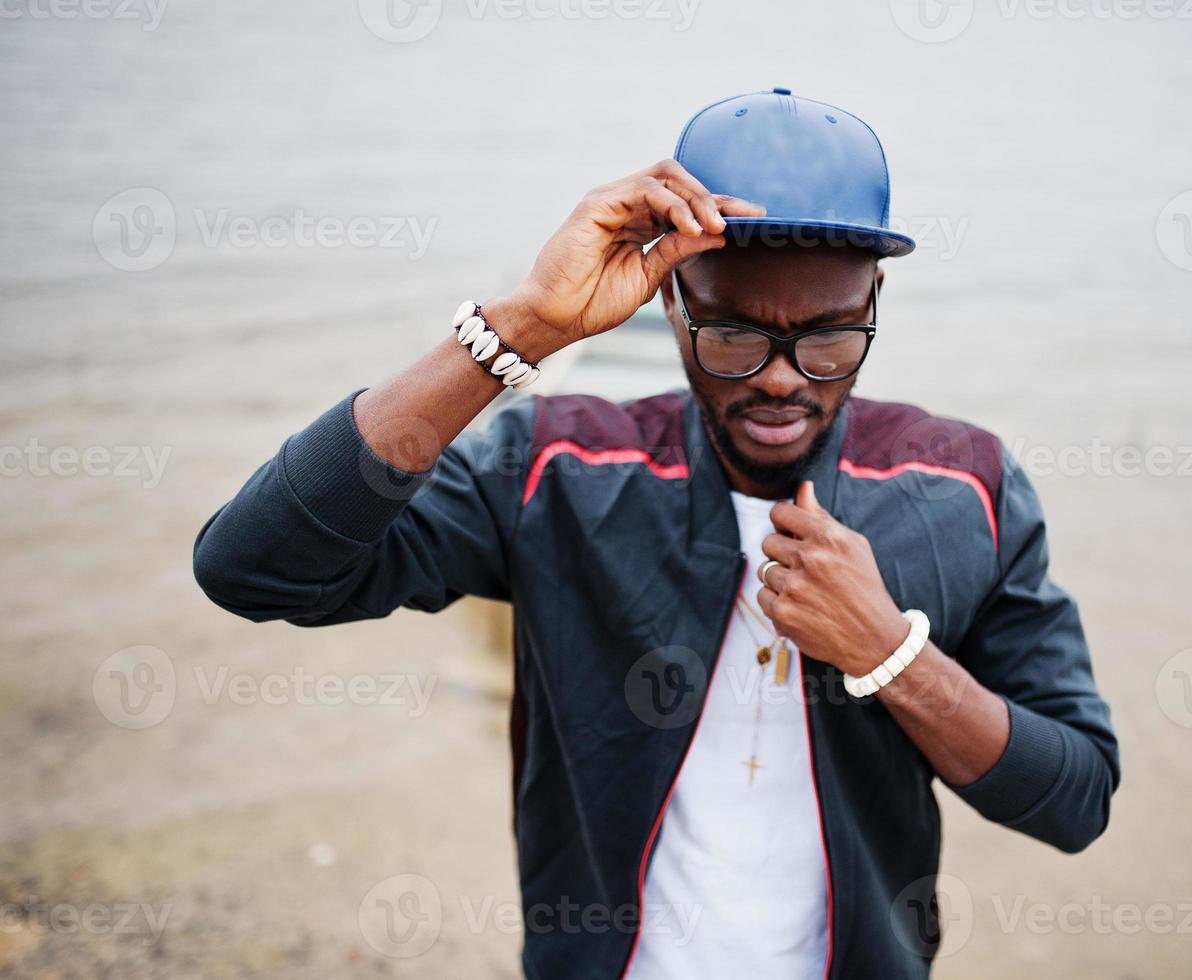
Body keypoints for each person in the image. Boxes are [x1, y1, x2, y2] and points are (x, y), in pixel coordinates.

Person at [193, 88, 1119, 979]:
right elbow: (257, 569)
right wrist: (521, 327)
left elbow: (1075, 797)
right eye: (730, 335)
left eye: (832, 338)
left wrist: (889, 654)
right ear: (669, 301)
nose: (782, 381)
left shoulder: (962, 486)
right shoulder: (556, 468)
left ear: (875, 301)